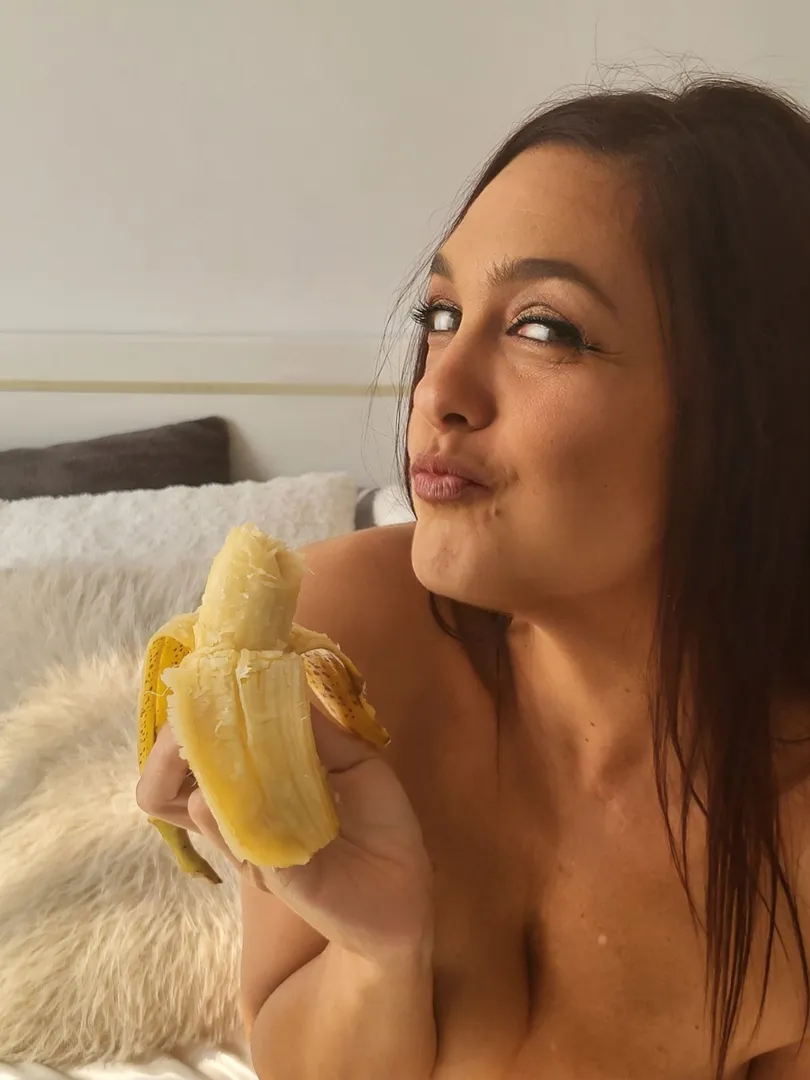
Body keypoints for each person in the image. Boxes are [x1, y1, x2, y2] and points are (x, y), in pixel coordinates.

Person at [136, 76, 810, 1079]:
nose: (438, 389)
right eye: (442, 313)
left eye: (545, 330)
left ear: (748, 414)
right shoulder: (340, 646)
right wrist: (376, 950)